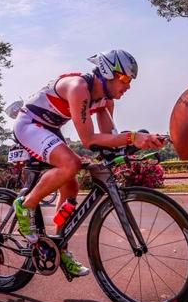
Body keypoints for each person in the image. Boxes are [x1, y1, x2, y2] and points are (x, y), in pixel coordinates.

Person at [11, 49, 166, 278]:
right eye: (124, 79)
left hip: (50, 127)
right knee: (71, 164)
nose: (128, 86)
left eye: (130, 81)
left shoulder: (104, 100)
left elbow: (108, 138)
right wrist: (132, 137)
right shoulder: (78, 88)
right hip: (29, 124)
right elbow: (89, 139)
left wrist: (142, 141)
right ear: (107, 72)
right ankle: (26, 205)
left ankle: (59, 246)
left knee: (72, 186)